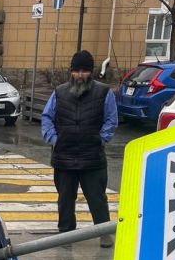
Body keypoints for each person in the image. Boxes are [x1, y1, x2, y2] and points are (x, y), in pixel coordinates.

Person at [40, 50, 118, 247]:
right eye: (77, 71)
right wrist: (54, 139)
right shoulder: (59, 92)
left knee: (96, 197)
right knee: (65, 198)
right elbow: (47, 117)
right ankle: (66, 234)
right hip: (64, 155)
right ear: (71, 72)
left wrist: (101, 139)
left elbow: (111, 119)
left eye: (84, 71)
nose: (80, 75)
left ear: (91, 72)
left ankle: (104, 232)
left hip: (92, 156)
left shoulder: (104, 92)